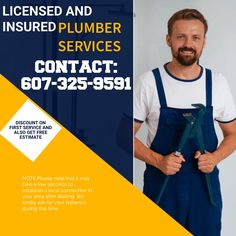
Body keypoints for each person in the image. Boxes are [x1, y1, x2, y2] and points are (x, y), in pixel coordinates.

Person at [134, 8, 236, 236]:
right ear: (168, 39)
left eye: (195, 37)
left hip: (205, 190)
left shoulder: (217, 83)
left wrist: (215, 158)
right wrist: (159, 160)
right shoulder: (150, 82)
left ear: (204, 42)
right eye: (181, 36)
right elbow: (122, 135)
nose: (188, 44)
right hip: (162, 189)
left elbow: (233, 133)